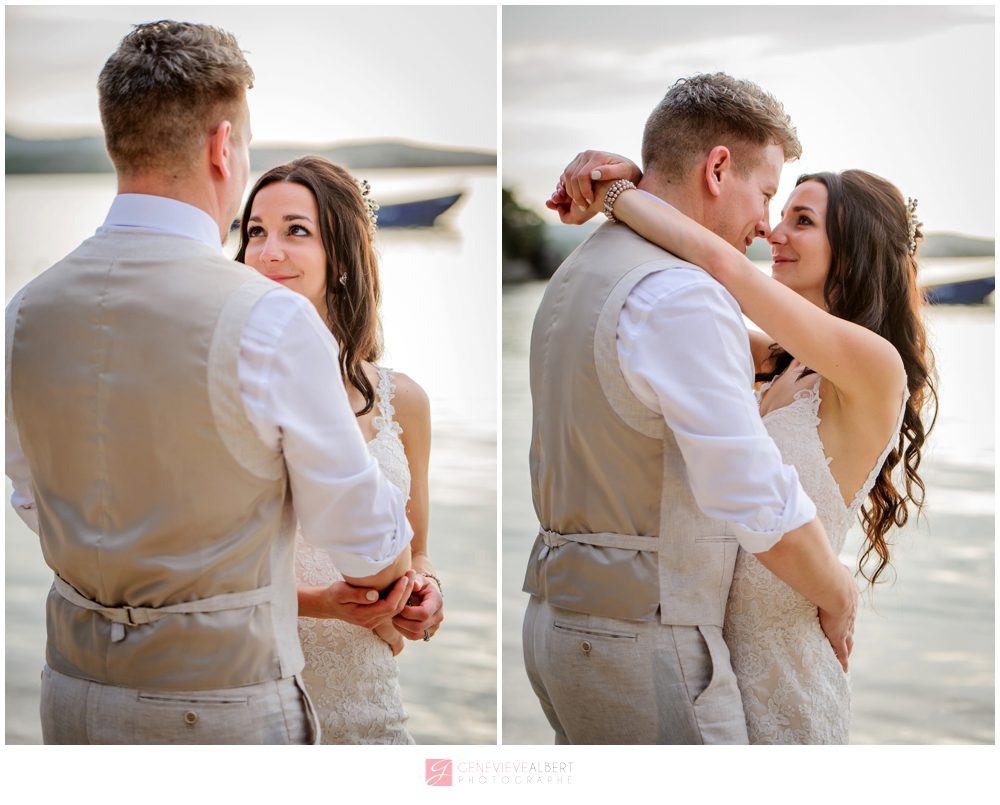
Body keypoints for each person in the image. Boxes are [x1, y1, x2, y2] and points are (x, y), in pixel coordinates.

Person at [4, 21, 414, 744]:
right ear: (224, 148)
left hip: (70, 698)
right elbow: (363, 539)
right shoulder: (269, 320)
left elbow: (33, 498)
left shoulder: (23, 313)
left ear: (115, 140)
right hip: (221, 708)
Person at [522, 72, 859, 745]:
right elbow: (753, 493)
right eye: (767, 194)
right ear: (718, 167)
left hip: (558, 624)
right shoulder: (680, 295)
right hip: (649, 639)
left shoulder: (586, 269)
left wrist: (624, 192)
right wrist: (840, 592)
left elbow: (761, 353)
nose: (766, 225)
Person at [555, 157, 937, 743]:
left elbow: (719, 262)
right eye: (778, 213)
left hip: (786, 666)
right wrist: (639, 176)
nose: (772, 232)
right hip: (710, 659)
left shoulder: (876, 367)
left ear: (856, 250)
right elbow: (689, 313)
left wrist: (618, 193)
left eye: (802, 221)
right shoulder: (780, 358)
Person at [235, 156, 443, 744]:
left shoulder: (405, 400)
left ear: (343, 257)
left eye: (295, 231)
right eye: (255, 232)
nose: (268, 251)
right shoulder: (224, 388)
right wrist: (322, 603)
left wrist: (424, 598)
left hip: (369, 705)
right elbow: (202, 574)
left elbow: (418, 550)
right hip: (261, 696)